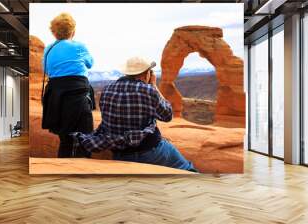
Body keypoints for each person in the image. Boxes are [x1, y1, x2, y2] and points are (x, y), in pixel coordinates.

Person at [68, 57, 197, 172]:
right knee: (188, 169)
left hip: (120, 153)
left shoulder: (107, 90)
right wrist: (154, 86)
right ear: (147, 74)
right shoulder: (148, 91)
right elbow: (167, 115)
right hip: (149, 151)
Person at [41, 13, 95, 158]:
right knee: (85, 138)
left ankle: (63, 170)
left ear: (54, 32)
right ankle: (81, 174)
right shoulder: (79, 46)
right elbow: (90, 63)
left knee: (65, 139)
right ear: (73, 31)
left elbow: (46, 70)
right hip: (78, 96)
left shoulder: (48, 49)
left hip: (56, 98)